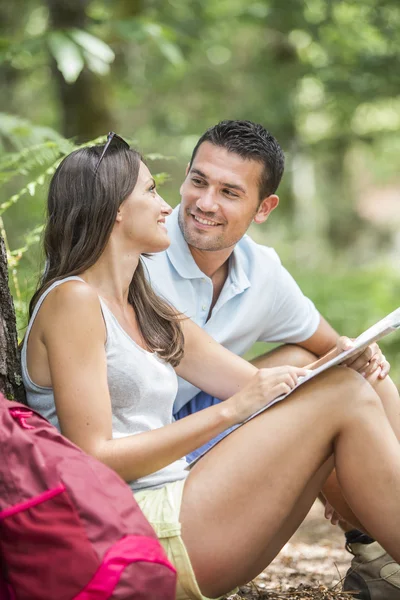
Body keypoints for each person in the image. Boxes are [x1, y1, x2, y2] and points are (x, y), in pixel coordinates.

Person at [22, 134, 400, 600]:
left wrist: (350, 355)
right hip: (133, 528)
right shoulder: (73, 301)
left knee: (344, 385)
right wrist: (229, 411)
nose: (168, 206)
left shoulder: (145, 305)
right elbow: (95, 458)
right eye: (149, 191)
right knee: (342, 394)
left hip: (183, 506)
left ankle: (380, 554)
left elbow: (268, 389)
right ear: (116, 208)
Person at [142, 120, 400, 598]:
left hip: (207, 426)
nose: (204, 203)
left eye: (229, 192)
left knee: (354, 370)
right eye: (198, 181)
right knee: (338, 390)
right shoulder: (141, 250)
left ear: (264, 208)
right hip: (158, 449)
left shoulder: (261, 272)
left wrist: (361, 350)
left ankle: (374, 552)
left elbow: (328, 345)